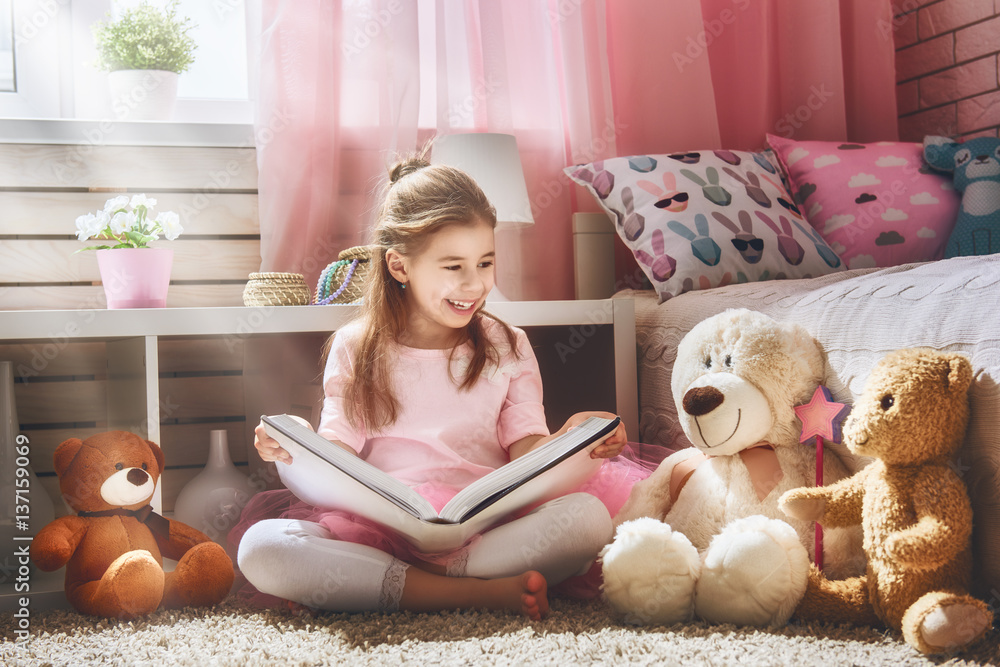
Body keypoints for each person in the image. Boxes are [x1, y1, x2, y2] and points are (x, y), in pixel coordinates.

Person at [234, 155, 647, 620]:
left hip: (483, 528)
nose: (475, 284)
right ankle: (469, 592)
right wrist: (295, 441)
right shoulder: (355, 346)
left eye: (485, 262)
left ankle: (385, 584)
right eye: (454, 266)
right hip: (382, 528)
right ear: (399, 266)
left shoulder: (507, 344)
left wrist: (574, 437)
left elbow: (528, 448)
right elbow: (337, 449)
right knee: (262, 548)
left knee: (586, 519)